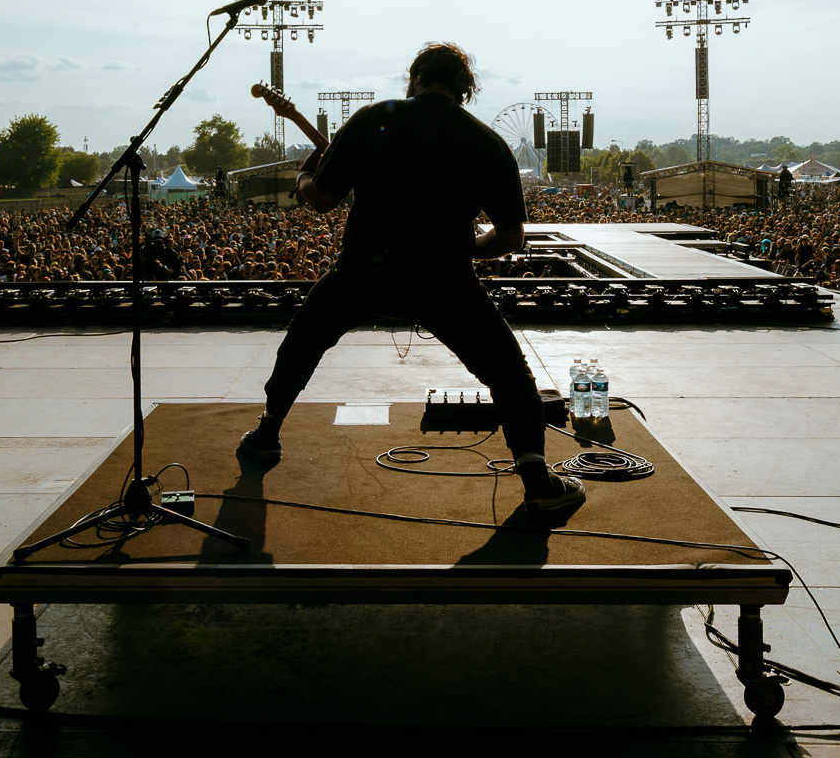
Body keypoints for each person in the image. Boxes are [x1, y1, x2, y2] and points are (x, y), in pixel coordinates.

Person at [239, 42, 585, 515]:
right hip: (444, 280)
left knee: (303, 341)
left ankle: (266, 434)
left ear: (416, 78)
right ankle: (537, 482)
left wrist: (304, 178)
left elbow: (320, 199)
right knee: (510, 375)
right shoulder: (487, 142)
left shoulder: (373, 118)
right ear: (464, 89)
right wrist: (461, 248)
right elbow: (509, 237)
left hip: (363, 271)